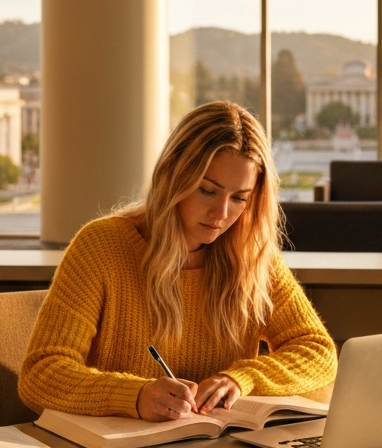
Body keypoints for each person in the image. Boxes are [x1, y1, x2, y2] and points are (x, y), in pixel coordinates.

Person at [19, 101, 337, 421]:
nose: (222, 214)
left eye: (239, 198)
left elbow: (317, 351)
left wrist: (242, 378)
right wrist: (135, 396)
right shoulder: (101, 247)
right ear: (174, 175)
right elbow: (41, 374)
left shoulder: (251, 255)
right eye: (207, 191)